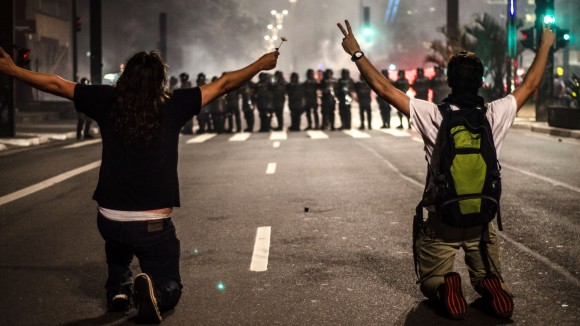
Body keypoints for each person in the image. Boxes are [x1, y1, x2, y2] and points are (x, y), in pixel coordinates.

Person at [0, 47, 279, 323]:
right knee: (171, 282)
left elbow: (56, 83)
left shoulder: (106, 100)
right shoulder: (174, 104)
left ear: (126, 77)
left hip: (109, 218)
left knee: (118, 245)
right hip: (152, 225)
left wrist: (13, 71)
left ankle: (119, 288)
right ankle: (156, 293)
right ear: (160, 80)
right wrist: (260, 64)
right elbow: (225, 83)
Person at [337, 19, 555, 320]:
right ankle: (489, 284)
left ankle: (445, 285)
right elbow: (530, 84)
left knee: (431, 280)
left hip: (443, 220)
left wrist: (357, 53)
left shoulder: (433, 115)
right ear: (480, 82)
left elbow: (385, 90)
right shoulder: (494, 113)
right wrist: (544, 45)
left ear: (448, 82)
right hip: (481, 219)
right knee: (486, 273)